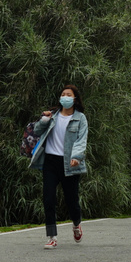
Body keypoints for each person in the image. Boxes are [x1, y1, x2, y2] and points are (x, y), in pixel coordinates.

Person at [29, 84, 88, 249]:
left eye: (69, 94)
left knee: (72, 201)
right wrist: (44, 119)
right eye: (63, 94)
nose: (65, 97)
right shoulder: (53, 116)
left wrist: (76, 157)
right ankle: (52, 236)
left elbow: (81, 140)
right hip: (51, 162)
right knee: (48, 199)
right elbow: (38, 131)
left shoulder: (80, 118)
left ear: (75, 99)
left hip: (69, 163)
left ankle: (76, 224)